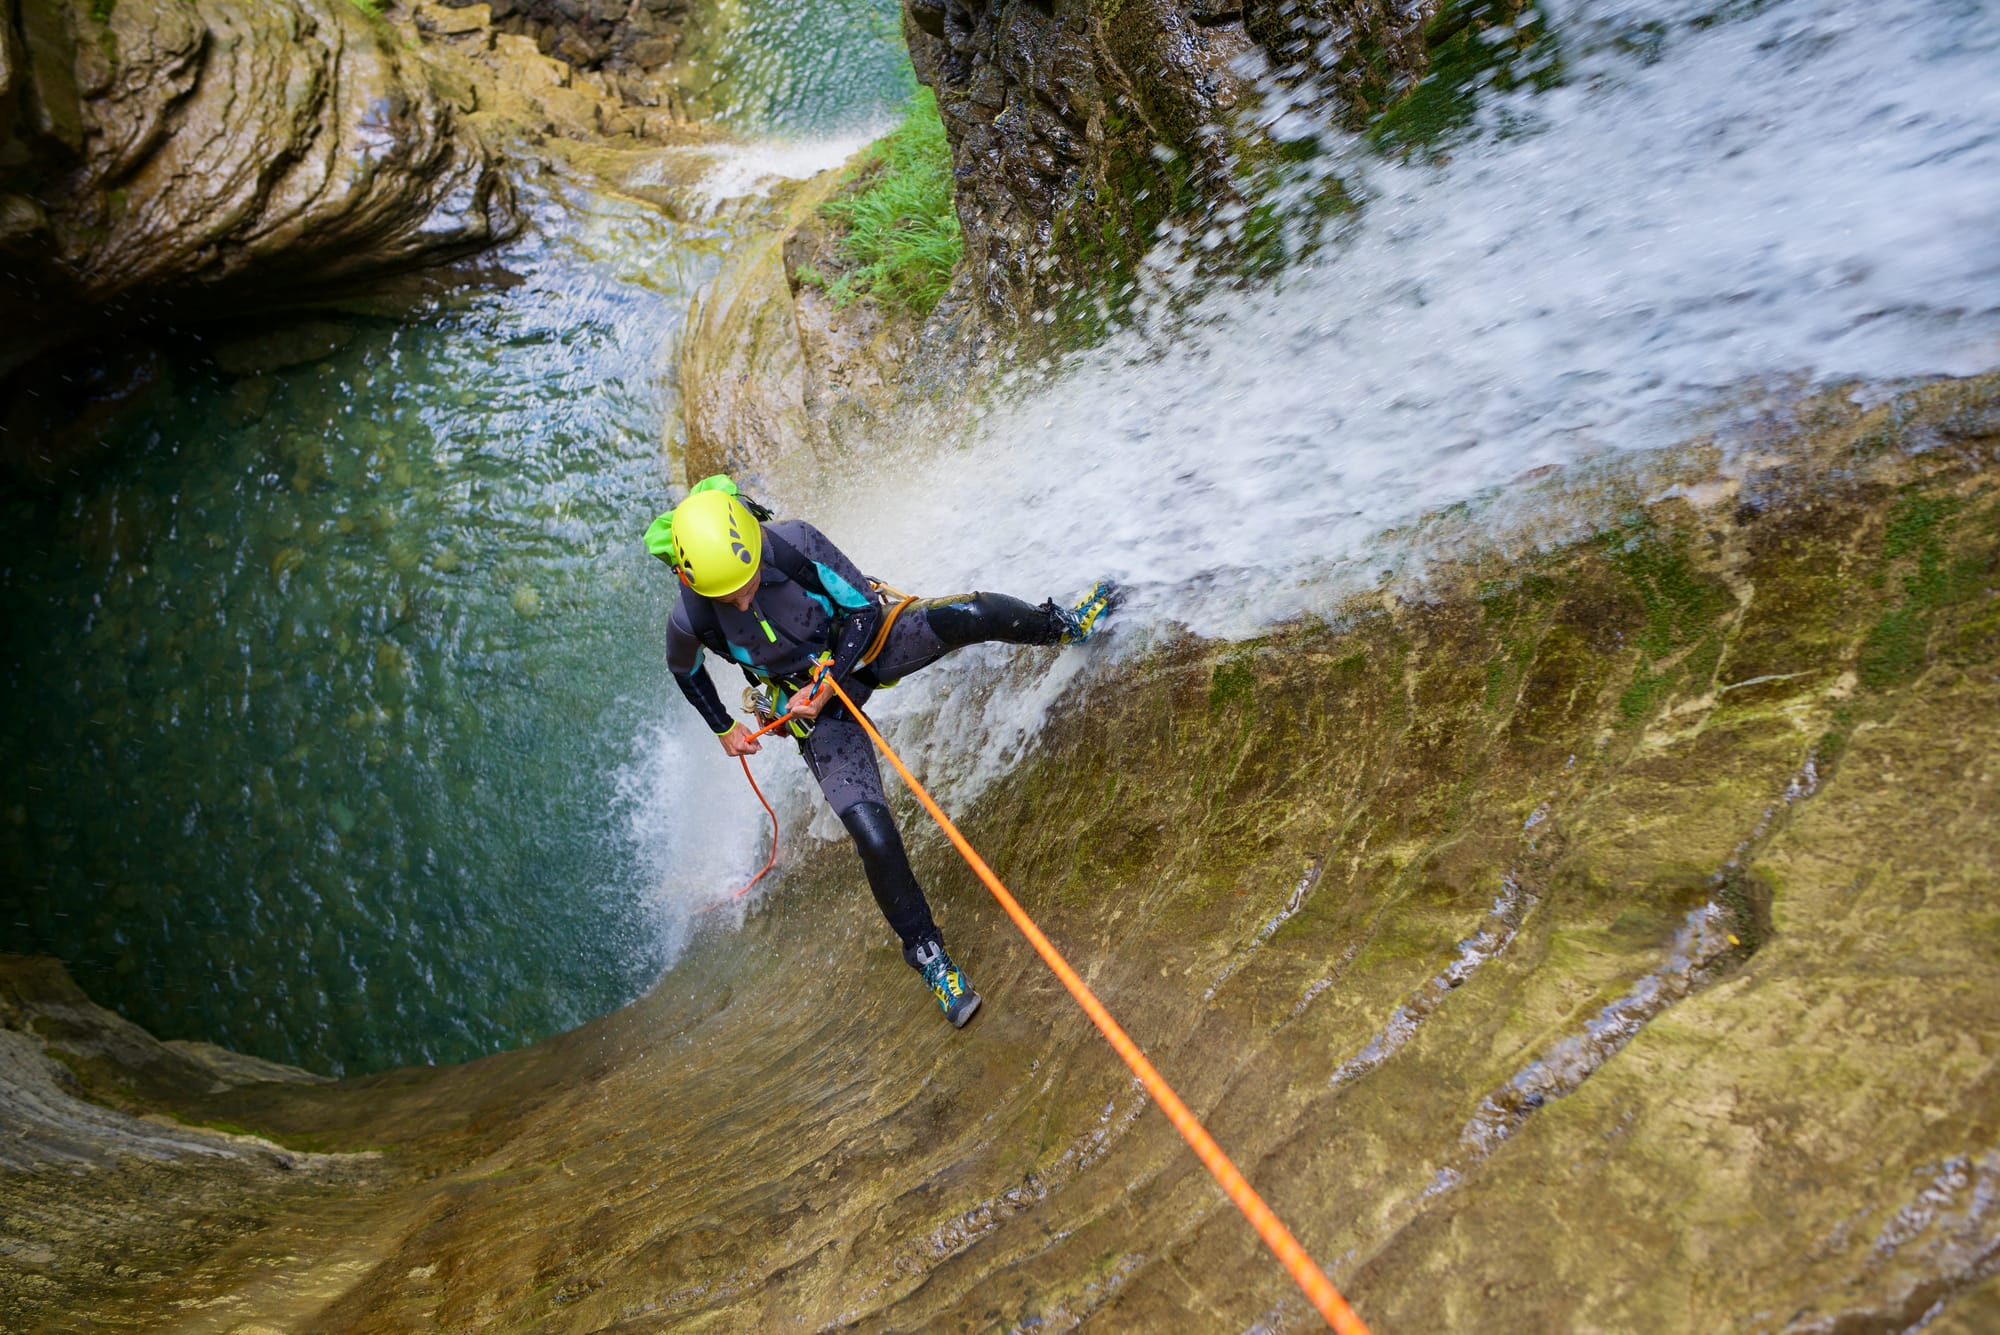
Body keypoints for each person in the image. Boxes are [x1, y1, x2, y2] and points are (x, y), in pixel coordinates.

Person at [648, 476, 1115, 1028]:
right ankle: (930, 957)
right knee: (873, 834)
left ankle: (1063, 626)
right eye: (731, 595)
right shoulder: (692, 617)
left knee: (974, 612)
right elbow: (687, 671)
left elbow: (865, 609)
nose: (745, 597)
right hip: (812, 709)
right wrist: (724, 727)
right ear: (692, 581)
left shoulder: (789, 543)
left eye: (750, 580)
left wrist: (827, 682)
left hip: (861, 648)